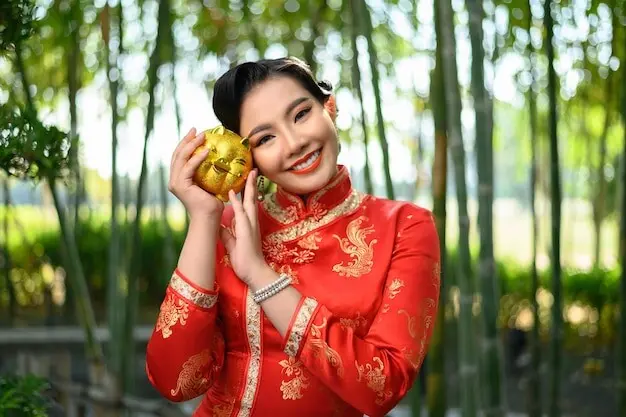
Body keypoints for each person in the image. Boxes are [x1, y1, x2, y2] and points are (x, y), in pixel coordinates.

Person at [145, 57, 440, 417]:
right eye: (266, 138)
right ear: (250, 158)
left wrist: (260, 275)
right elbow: (175, 381)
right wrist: (204, 219)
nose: (294, 143)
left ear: (330, 108)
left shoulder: (404, 226)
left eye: (301, 114)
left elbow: (383, 386)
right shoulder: (228, 227)